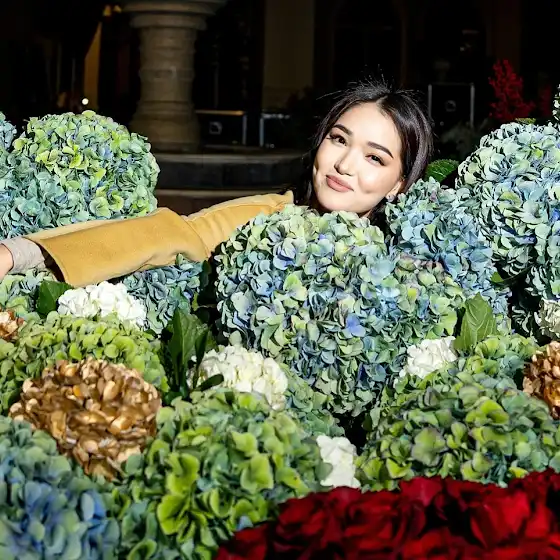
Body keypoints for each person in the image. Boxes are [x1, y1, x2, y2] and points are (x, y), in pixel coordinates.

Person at [0, 79, 433, 286]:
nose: (344, 164)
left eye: (374, 157)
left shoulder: (416, 268)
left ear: (399, 183)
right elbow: (164, 233)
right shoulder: (263, 216)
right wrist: (17, 254)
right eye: (338, 139)